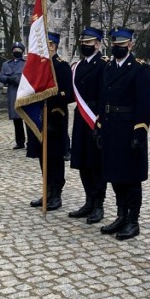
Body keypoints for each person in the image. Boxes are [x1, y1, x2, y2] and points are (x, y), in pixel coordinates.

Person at [95, 27, 150, 240]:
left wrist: (139, 133)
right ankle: (120, 215)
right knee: (114, 175)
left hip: (129, 129)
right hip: (111, 127)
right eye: (114, 44)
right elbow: (103, 99)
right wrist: (99, 126)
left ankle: (132, 220)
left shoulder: (140, 69)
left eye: (121, 44)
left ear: (130, 44)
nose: (117, 47)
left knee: (130, 178)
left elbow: (145, 104)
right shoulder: (108, 67)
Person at [27, 32, 74, 211]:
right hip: (39, 118)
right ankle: (47, 190)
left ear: (52, 46)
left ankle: (57, 193)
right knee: (42, 156)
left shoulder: (61, 67)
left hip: (55, 117)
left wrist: (52, 103)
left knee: (55, 157)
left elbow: (68, 93)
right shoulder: (39, 67)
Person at [68, 27, 108, 224]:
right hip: (80, 118)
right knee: (83, 161)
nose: (85, 45)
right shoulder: (78, 66)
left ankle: (99, 204)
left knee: (96, 164)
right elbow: (70, 93)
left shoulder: (104, 65)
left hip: (95, 117)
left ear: (98, 44)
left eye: (89, 43)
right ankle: (88, 201)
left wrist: (101, 120)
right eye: (83, 43)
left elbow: (105, 94)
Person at [0, 42, 26, 149]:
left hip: (24, 92)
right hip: (13, 92)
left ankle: (31, 142)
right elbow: (0, 76)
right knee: (16, 119)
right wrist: (8, 79)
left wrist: (19, 80)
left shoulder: (26, 63)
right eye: (15, 50)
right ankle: (20, 142)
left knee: (27, 118)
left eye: (19, 50)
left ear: (22, 52)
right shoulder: (6, 64)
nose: (17, 52)